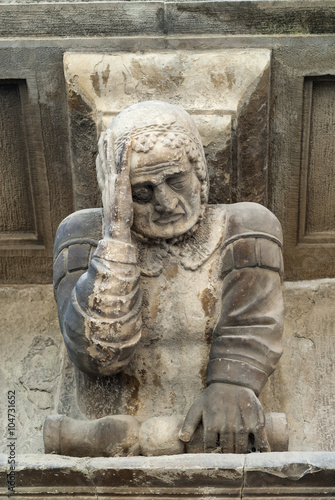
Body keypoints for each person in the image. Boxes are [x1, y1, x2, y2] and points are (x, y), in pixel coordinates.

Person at [51, 101, 284, 454]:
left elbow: (253, 324)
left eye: (176, 180)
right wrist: (116, 237)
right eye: (142, 192)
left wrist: (232, 384)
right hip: (102, 435)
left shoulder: (246, 226)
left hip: (215, 435)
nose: (166, 202)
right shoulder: (84, 233)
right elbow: (97, 356)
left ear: (200, 172)